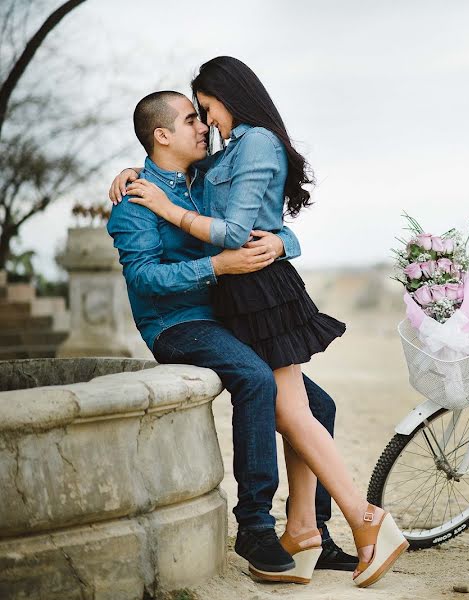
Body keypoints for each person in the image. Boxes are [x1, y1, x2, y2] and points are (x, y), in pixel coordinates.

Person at [114, 57, 407, 588]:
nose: (204, 126)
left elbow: (249, 223)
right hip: (177, 324)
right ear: (162, 135)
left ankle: (310, 530)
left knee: (319, 404)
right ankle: (255, 526)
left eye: (203, 114)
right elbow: (145, 283)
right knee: (255, 380)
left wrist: (283, 241)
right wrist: (215, 266)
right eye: (191, 119)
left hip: (229, 315)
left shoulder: (199, 179)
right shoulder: (135, 201)